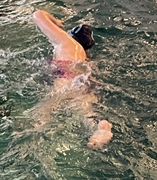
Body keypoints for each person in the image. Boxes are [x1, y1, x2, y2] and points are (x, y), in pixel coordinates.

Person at [32, 9, 112, 149]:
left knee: (43, 116)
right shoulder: (84, 56)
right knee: (85, 113)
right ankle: (99, 129)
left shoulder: (68, 43)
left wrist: (55, 21)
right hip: (83, 85)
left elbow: (37, 14)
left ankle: (34, 138)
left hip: (66, 81)